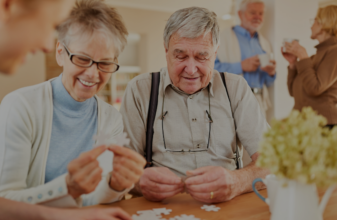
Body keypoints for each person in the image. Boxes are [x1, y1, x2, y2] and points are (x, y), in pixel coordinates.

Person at [0, 0, 131, 219]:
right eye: (50, 24)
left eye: (104, 63)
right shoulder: (20, 105)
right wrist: (67, 188)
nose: (47, 45)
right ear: (6, 6)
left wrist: (106, 189)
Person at [120, 6, 270, 204]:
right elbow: (121, 170)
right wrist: (139, 181)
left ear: (215, 53)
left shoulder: (236, 88)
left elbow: (273, 162)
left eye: (202, 56)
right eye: (180, 56)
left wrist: (237, 181)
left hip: (227, 209)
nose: (191, 70)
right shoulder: (139, 90)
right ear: (166, 51)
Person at [214, 0, 276, 118]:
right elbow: (211, 70)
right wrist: (241, 66)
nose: (257, 17)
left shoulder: (264, 43)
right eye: (252, 12)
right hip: (232, 101)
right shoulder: (222, 38)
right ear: (240, 14)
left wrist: (271, 73)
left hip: (259, 102)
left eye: (261, 13)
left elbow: (268, 83)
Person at [283, 5, 337, 128]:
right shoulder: (314, 58)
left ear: (325, 23)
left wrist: (302, 55)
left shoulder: (335, 52)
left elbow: (315, 88)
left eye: (315, 21)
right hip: (304, 124)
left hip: (323, 125)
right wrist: (292, 64)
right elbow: (293, 92)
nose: (311, 25)